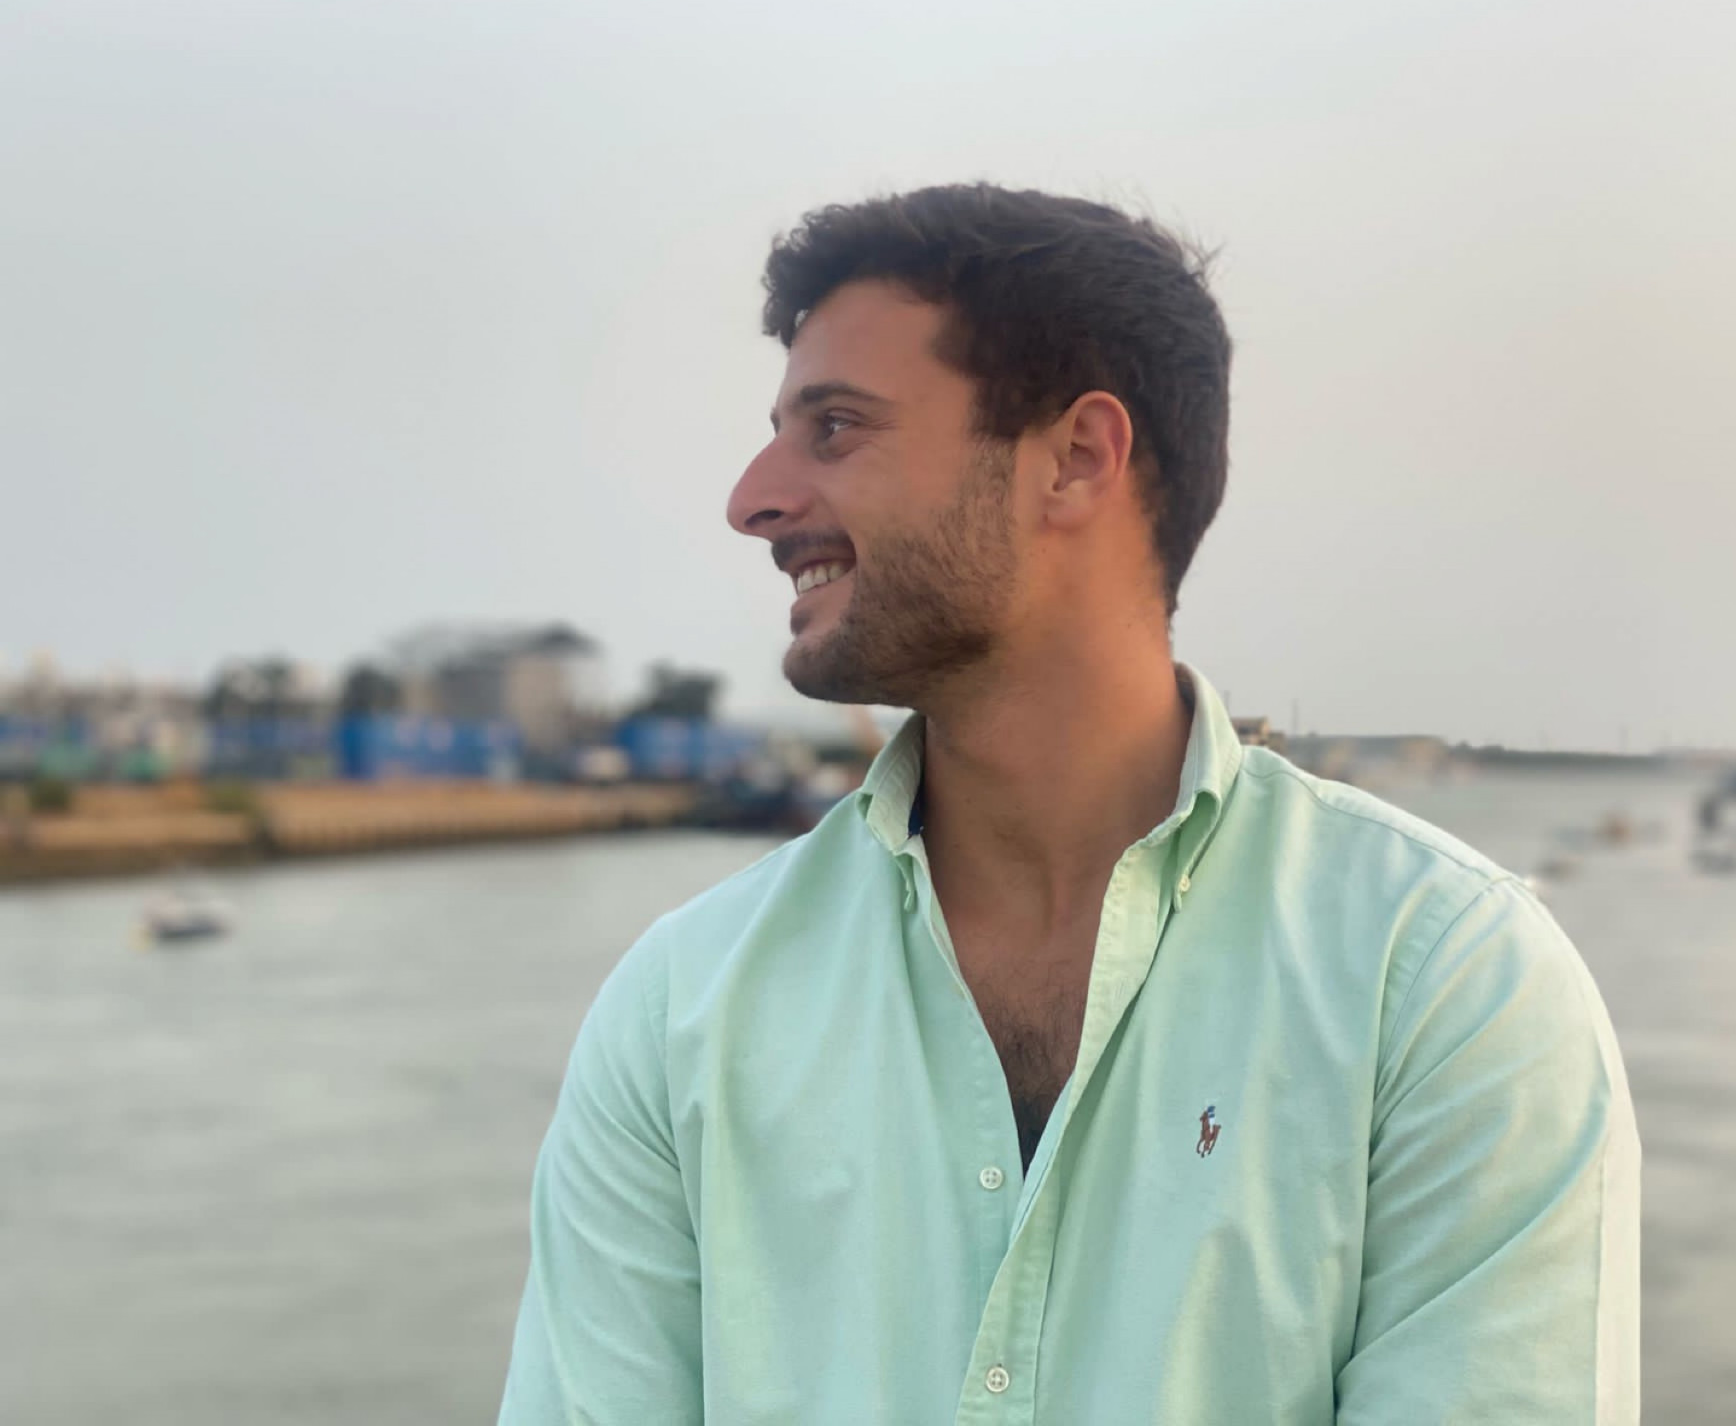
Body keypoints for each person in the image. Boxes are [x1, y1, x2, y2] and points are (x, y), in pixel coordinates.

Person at [498, 184, 1639, 1424]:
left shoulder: (1439, 984)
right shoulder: (680, 1010)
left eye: (833, 427)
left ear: (1077, 459)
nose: (752, 500)